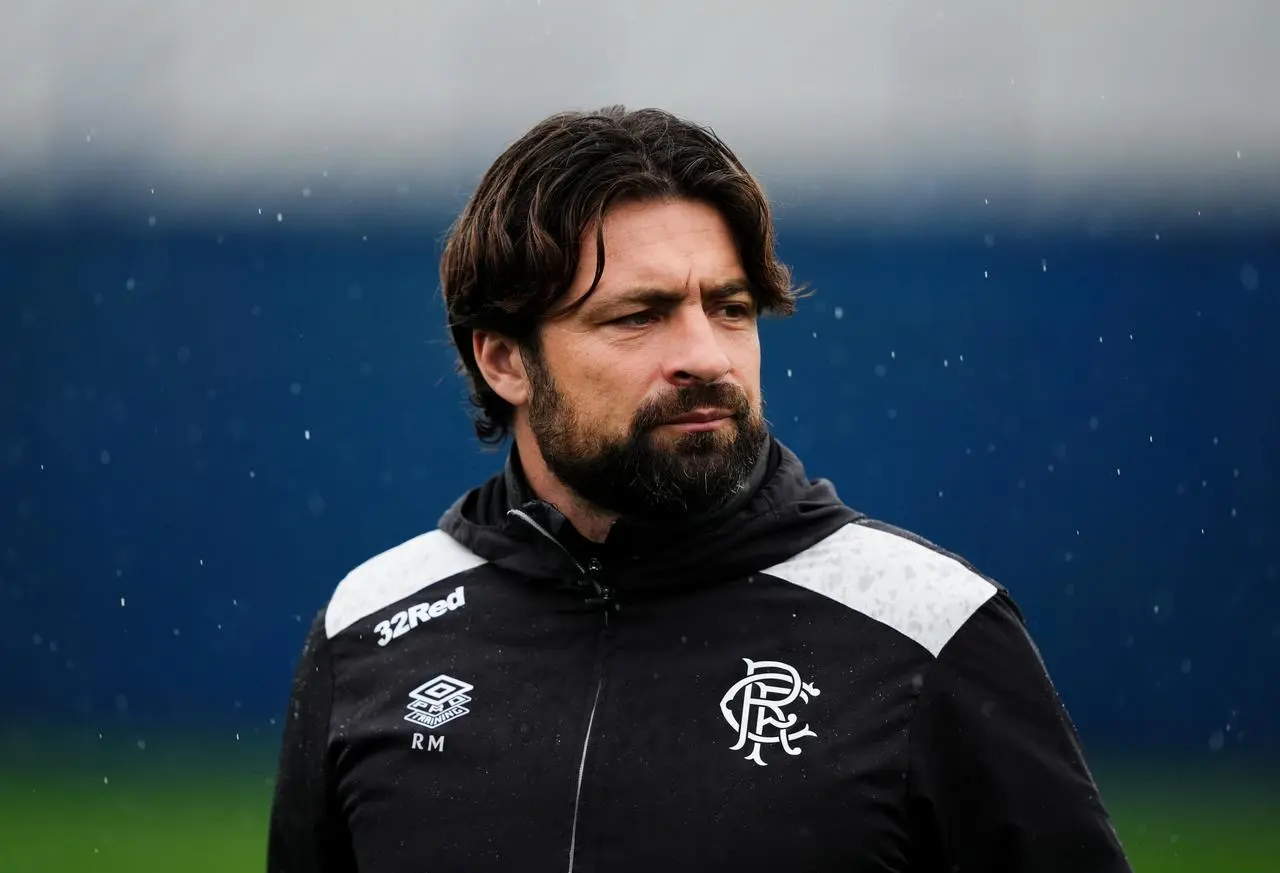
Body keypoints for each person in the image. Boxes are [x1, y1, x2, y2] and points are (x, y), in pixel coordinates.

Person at [266, 105, 1133, 873]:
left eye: (730, 308)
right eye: (638, 316)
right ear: (503, 359)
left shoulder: (929, 627)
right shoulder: (370, 632)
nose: (706, 357)